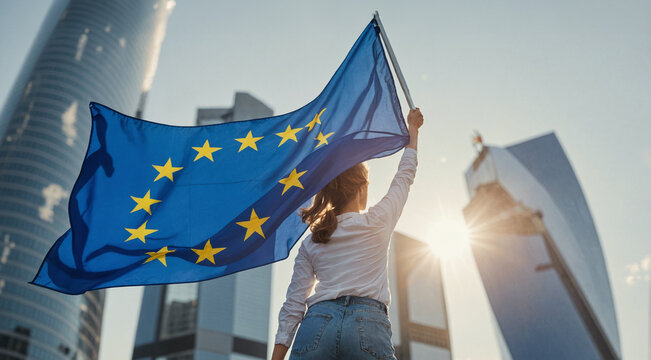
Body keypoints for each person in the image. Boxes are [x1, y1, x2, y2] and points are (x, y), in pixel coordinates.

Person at [271, 108, 424, 360]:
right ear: (362, 188)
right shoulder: (378, 220)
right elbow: (404, 176)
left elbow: (294, 304)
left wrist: (277, 357)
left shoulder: (313, 241)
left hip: (317, 324)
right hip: (367, 323)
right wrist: (413, 132)